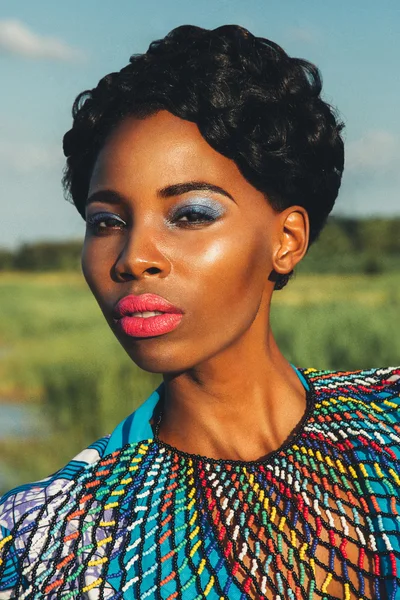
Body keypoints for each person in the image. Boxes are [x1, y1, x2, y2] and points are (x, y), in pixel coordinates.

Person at [0, 24, 399, 600]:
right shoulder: (52, 545)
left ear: (286, 239)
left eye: (189, 214)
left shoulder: (387, 424)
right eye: (106, 221)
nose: (133, 258)